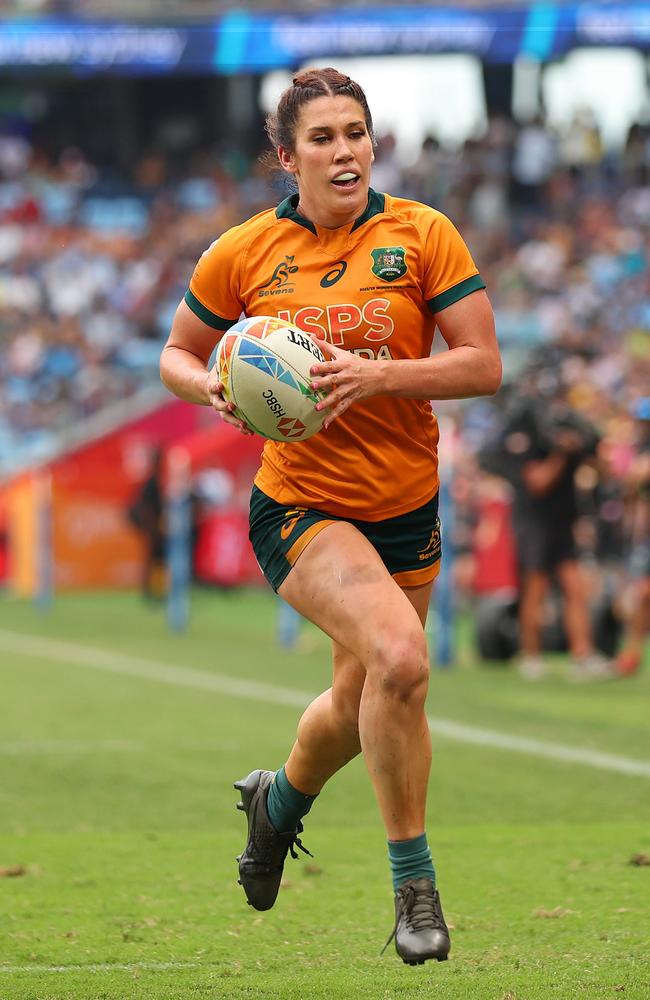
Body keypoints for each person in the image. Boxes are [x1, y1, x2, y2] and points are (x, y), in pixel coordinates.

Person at [160, 67, 501, 966]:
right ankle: (415, 888)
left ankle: (275, 805)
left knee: (363, 696)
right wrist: (215, 390)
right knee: (401, 659)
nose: (344, 149)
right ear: (287, 156)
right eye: (322, 137)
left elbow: (482, 365)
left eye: (356, 132)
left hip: (404, 509)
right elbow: (177, 354)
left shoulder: (424, 235)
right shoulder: (243, 251)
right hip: (301, 507)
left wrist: (379, 374)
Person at [500, 385, 614, 681]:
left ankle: (582, 654)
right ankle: (531, 656)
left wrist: (586, 447)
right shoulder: (528, 433)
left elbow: (603, 470)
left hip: (563, 521)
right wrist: (561, 453)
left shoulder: (569, 431)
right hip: (534, 522)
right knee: (535, 589)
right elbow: (538, 482)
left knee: (575, 588)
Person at [615, 397, 650, 676]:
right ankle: (632, 653)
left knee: (641, 594)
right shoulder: (639, 452)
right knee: (639, 596)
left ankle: (631, 652)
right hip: (643, 537)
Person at [127, 448, 167, 601]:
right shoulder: (152, 482)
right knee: (153, 560)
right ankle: (150, 591)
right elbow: (148, 506)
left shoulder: (154, 480)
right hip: (152, 526)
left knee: (155, 560)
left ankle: (153, 590)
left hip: (153, 525)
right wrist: (153, 526)